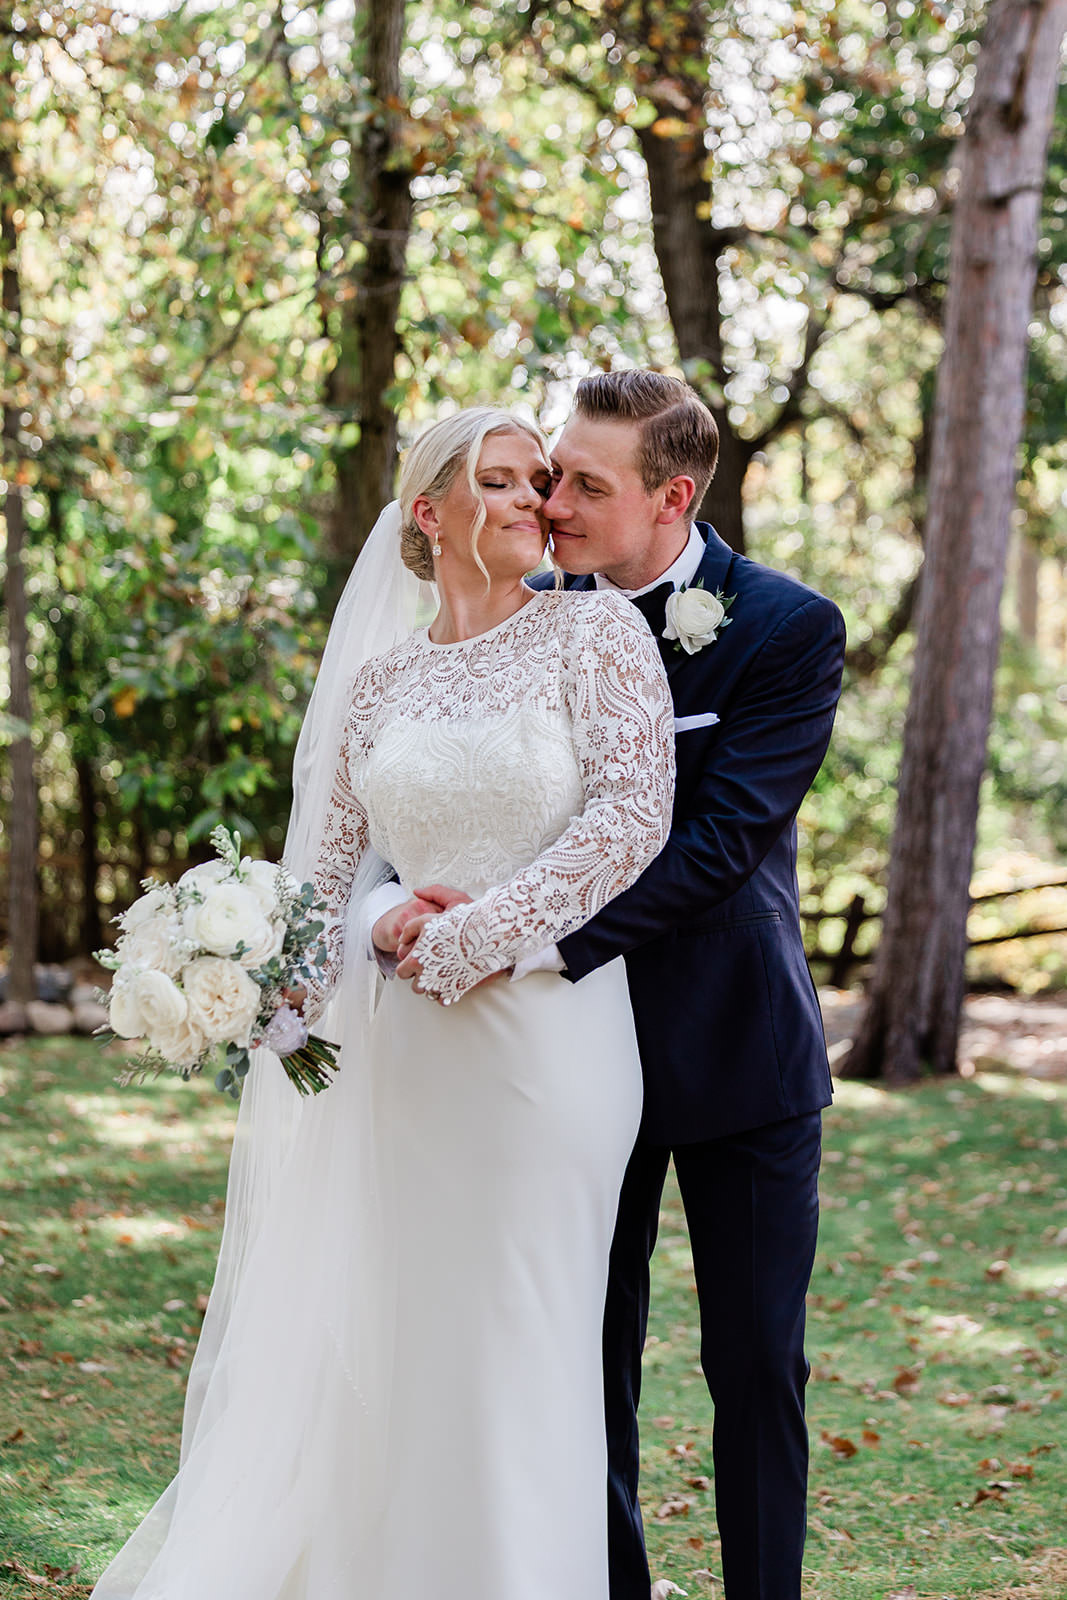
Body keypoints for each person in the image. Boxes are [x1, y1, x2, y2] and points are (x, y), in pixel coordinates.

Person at [87, 406, 676, 1600]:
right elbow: (327, 881)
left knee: (517, 1330)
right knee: (396, 1328)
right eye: (503, 482)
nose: (535, 503)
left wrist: (471, 935)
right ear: (430, 512)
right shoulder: (380, 680)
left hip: (544, 1044)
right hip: (397, 1050)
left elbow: (630, 819)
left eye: (542, 483)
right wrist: (338, 936)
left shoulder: (596, 634)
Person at [376, 371, 847, 1600]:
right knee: (579, 1357)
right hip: (556, 1062)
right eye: (547, 474)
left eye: (584, 482)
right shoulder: (516, 611)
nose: (552, 500)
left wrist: (522, 940)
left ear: (669, 496)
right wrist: (424, 916)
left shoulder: (783, 627)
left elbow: (716, 840)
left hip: (728, 1046)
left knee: (755, 1364)